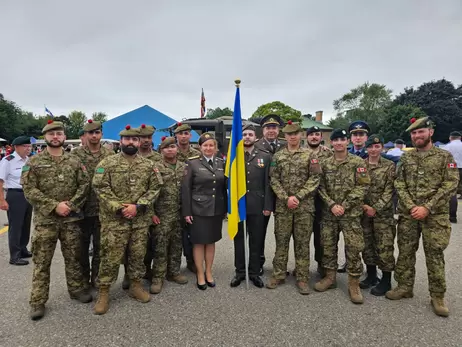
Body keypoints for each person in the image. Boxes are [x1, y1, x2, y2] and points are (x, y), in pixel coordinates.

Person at [386, 117, 459, 317]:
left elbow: (451, 184)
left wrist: (427, 206)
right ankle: (404, 286)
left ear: (430, 133)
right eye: (414, 133)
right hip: (409, 215)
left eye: (421, 132)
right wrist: (411, 206)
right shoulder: (407, 158)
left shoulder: (444, 157)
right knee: (406, 251)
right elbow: (399, 183)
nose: (417, 136)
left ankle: (437, 295)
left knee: (434, 254)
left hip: (434, 215)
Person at [21, 120, 91, 320]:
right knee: (42, 262)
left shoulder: (74, 161)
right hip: (46, 221)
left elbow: (84, 185)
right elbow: (29, 189)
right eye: (51, 134)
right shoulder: (34, 162)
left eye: (59, 133)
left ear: (64, 136)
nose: (55, 137)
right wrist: (54, 206)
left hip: (70, 219)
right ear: (45, 137)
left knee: (74, 258)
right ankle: (38, 301)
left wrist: (70, 205)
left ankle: (76, 289)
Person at [92, 125, 162, 315]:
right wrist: (119, 207)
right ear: (121, 141)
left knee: (138, 255)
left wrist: (137, 206)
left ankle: (135, 286)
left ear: (139, 142)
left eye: (134, 140)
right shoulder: (107, 164)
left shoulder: (149, 165)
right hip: (114, 221)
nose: (131, 142)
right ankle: (104, 293)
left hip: (139, 220)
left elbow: (155, 188)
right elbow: (100, 187)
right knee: (110, 258)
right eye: (127, 139)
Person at [314, 129, 370, 304]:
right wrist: (332, 204)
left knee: (353, 248)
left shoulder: (357, 162)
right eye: (336, 139)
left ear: (348, 142)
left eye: (342, 139)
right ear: (331, 143)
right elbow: (319, 186)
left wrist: (344, 205)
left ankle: (354, 284)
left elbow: (363, 186)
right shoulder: (324, 162)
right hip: (329, 213)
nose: (339, 142)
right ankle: (330, 278)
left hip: (350, 214)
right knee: (328, 246)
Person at [265, 121, 321, 295]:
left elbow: (315, 179)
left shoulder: (310, 155)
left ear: (300, 135)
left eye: (296, 133)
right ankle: (278, 274)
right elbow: (273, 179)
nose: (293, 137)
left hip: (304, 207)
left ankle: (302, 278)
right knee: (281, 241)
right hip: (283, 207)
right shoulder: (278, 156)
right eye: (289, 134)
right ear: (286, 136)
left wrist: (297, 197)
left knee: (302, 243)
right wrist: (285, 198)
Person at [70, 120, 113, 289]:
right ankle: (82, 280)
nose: (94, 136)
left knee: (101, 248)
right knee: (80, 248)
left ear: (101, 134)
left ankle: (97, 278)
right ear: (85, 135)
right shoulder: (75, 155)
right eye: (91, 133)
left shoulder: (109, 155)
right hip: (81, 208)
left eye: (97, 132)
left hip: (103, 209)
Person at [182, 133, 227, 290]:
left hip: (216, 209)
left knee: (211, 241)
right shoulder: (192, 163)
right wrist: (186, 212)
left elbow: (224, 188)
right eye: (205, 145)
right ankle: (200, 273)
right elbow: (186, 189)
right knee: (199, 242)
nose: (208, 148)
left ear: (215, 148)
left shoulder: (221, 162)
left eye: (211, 145)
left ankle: (209, 271)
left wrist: (226, 208)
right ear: (200, 147)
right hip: (198, 210)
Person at [230, 124, 272, 288]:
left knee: (256, 240)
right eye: (244, 134)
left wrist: (268, 205)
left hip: (258, 204)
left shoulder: (265, 156)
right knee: (239, 240)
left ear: (256, 137)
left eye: (250, 134)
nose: (247, 137)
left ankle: (254, 272)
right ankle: (240, 272)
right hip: (239, 204)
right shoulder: (234, 156)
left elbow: (268, 184)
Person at [150, 136, 188, 294]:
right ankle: (158, 277)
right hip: (162, 214)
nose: (170, 150)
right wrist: (151, 212)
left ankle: (174, 272)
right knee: (160, 246)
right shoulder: (155, 167)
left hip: (180, 213)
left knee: (177, 244)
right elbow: (150, 190)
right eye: (166, 147)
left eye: (172, 147)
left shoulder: (183, 166)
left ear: (177, 149)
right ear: (161, 150)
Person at [360, 134, 396, 296]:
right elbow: (356, 188)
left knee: (384, 246)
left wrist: (376, 207)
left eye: (377, 146)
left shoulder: (389, 166)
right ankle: (372, 275)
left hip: (384, 214)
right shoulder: (360, 165)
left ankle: (386, 280)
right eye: (371, 147)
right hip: (364, 212)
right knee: (367, 245)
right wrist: (364, 206)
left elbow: (390, 190)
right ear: (366, 148)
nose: (374, 150)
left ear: (381, 147)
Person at [254, 114, 286, 274]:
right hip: (262, 195)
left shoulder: (286, 145)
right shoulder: (255, 145)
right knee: (260, 232)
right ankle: (258, 262)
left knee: (283, 233)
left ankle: (280, 265)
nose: (271, 130)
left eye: (274, 127)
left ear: (279, 129)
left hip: (283, 195)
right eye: (268, 128)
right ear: (263, 130)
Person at [0, 136, 33, 266]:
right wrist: (2, 200)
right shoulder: (7, 161)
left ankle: (23, 249)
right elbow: (0, 181)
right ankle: (15, 255)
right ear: (16, 147)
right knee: (15, 226)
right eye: (25, 146)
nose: (28, 149)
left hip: (28, 195)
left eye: (29, 146)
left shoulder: (28, 160)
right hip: (15, 195)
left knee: (26, 224)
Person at [305, 126, 333, 276]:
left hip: (323, 201)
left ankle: (321, 265)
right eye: (311, 135)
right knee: (302, 236)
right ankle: (302, 266)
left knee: (321, 236)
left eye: (317, 134)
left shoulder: (328, 153)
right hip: (305, 200)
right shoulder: (301, 153)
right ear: (307, 137)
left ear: (321, 136)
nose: (314, 137)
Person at [174, 122, 201, 274]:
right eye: (180, 134)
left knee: (192, 231)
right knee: (176, 233)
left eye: (186, 134)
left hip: (192, 198)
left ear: (190, 136)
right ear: (176, 135)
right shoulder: (169, 151)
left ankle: (191, 261)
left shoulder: (197, 152)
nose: (183, 137)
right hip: (172, 199)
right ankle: (173, 266)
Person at [442, 131, 462, 223]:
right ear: (460, 137)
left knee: (452, 192)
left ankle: (453, 216)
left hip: (452, 168)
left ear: (450, 138)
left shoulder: (447, 147)